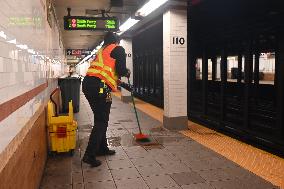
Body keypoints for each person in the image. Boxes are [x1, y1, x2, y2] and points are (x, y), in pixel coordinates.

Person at [82, 32, 130, 167]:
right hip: (101, 88)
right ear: (116, 41)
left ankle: (102, 148)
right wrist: (127, 72)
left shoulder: (102, 51)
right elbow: (120, 70)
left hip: (90, 85)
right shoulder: (118, 49)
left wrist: (123, 84)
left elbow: (107, 74)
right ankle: (89, 154)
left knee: (101, 118)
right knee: (101, 120)